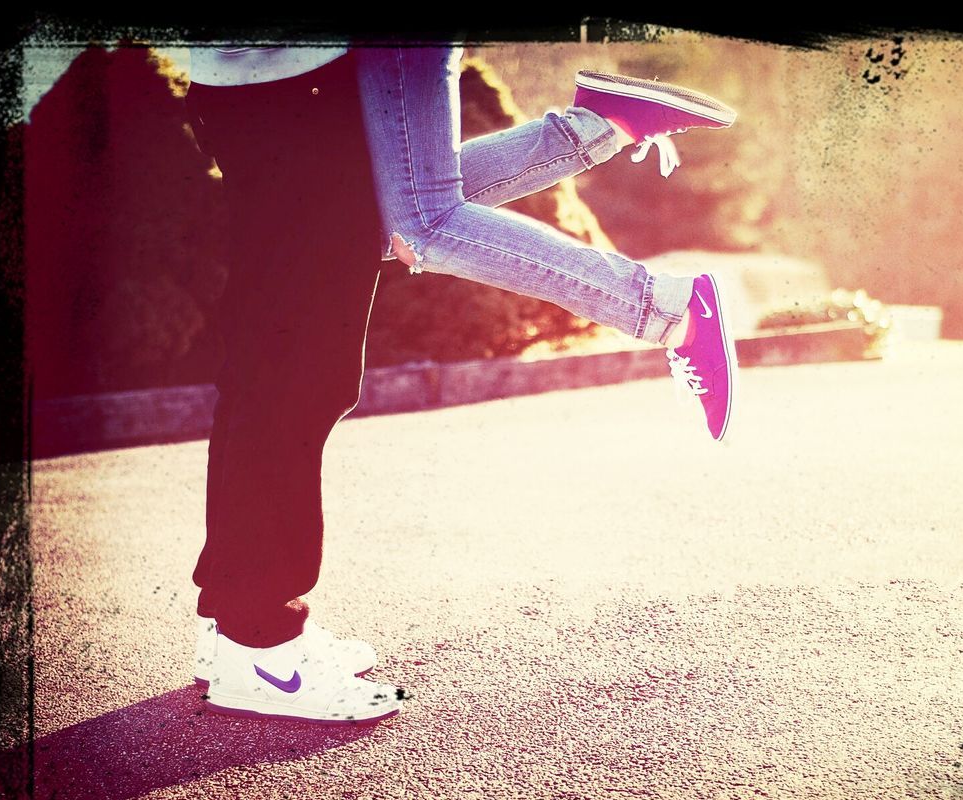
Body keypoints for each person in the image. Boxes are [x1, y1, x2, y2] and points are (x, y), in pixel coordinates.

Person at [183, 43, 738, 724]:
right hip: (263, 80)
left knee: (312, 334)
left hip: (291, 77)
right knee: (292, 349)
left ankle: (253, 632)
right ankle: (245, 627)